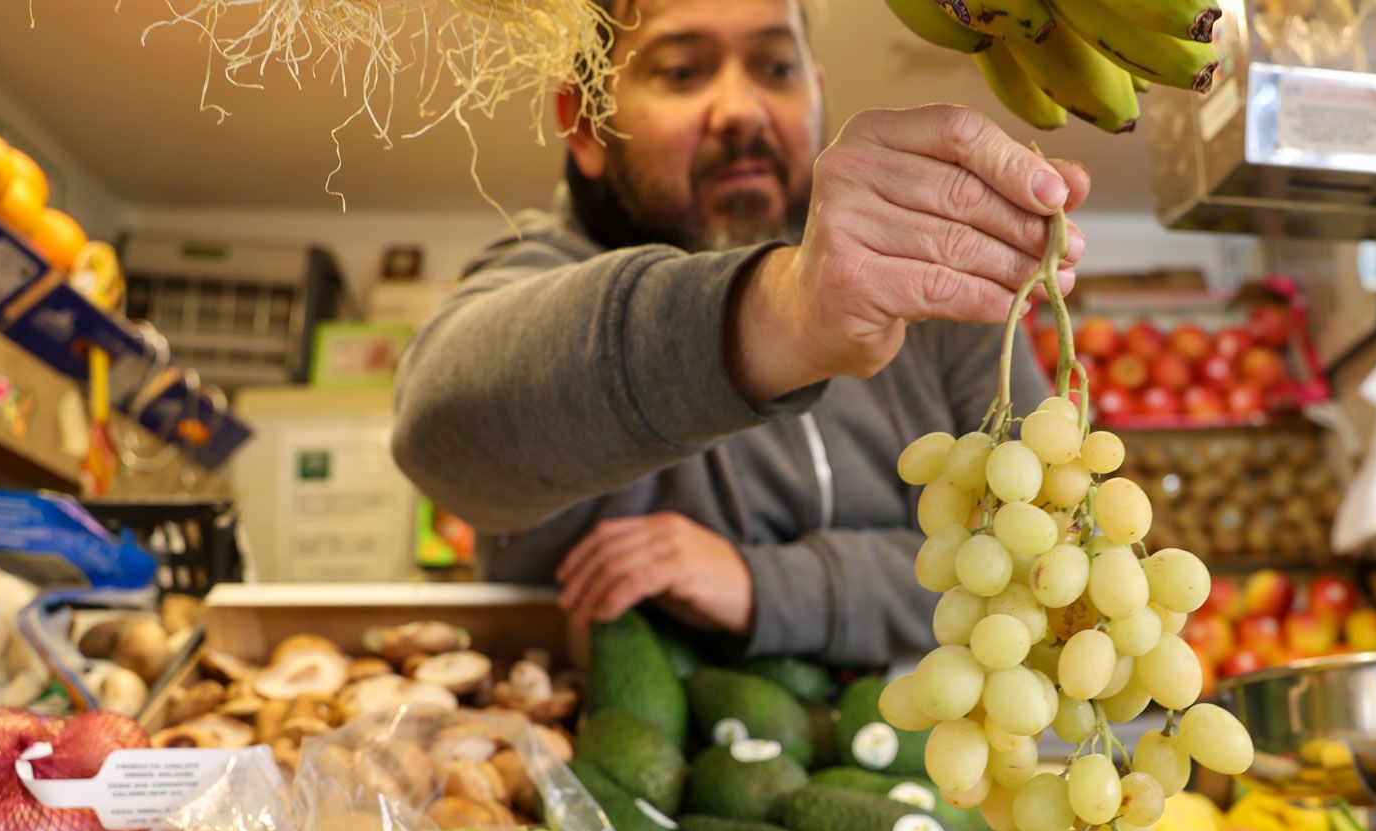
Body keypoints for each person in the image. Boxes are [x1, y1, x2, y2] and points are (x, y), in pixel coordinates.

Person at [391, 0, 1090, 666]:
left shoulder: (936, 293)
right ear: (584, 123)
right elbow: (440, 431)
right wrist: (780, 313)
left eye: (776, 68)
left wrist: (766, 584)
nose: (741, 110)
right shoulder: (535, 270)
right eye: (681, 71)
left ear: (817, 96)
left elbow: (1041, 563)